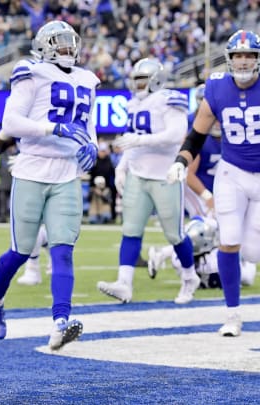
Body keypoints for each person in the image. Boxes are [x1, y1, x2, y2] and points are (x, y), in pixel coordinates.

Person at [0, 20, 99, 350]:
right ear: (45, 46)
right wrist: (55, 129)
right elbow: (11, 122)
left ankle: (60, 323)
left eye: (70, 43)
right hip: (32, 168)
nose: (67, 49)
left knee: (63, 250)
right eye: (60, 43)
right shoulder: (31, 71)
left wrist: (90, 145)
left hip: (66, 172)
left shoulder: (86, 80)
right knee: (20, 252)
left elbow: (86, 125)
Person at [166, 29, 260, 337]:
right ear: (230, 59)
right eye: (238, 56)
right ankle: (232, 314)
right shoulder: (217, 88)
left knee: (254, 252)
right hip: (231, 173)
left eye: (250, 56)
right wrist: (181, 161)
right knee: (229, 241)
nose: (244, 62)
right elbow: (197, 134)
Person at [97, 58, 199, 305]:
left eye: (143, 81)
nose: (139, 85)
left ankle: (189, 276)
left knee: (174, 234)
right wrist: (122, 167)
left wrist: (140, 142)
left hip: (166, 175)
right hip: (137, 173)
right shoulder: (132, 104)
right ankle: (124, 284)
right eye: (136, 81)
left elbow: (176, 135)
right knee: (130, 230)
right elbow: (131, 141)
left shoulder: (169, 99)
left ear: (156, 80)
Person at [147, 216, 256, 288]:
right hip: (209, 271)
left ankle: (161, 253)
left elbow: (200, 221)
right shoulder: (181, 260)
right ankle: (161, 254)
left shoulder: (211, 230)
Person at [183, 84, 222, 218]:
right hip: (200, 187)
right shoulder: (196, 132)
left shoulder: (234, 135)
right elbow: (189, 174)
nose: (217, 123)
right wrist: (207, 196)